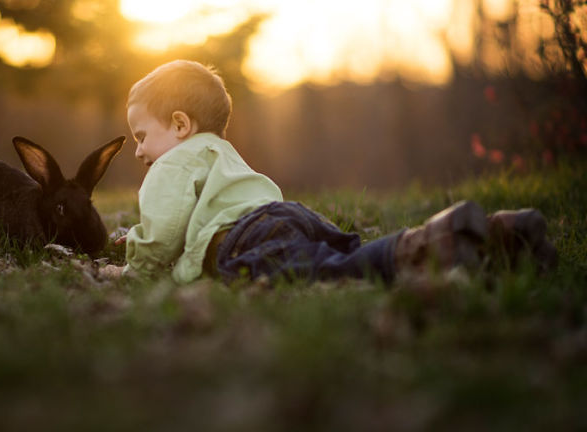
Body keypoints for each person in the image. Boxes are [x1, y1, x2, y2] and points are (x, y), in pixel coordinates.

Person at [99, 60, 556, 284]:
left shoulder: (171, 163)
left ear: (180, 124)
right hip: (285, 213)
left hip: (240, 238)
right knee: (347, 251)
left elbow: (163, 236)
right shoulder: (218, 151)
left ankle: (426, 247)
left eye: (141, 136)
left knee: (324, 272)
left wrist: (131, 271)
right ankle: (493, 239)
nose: (138, 152)